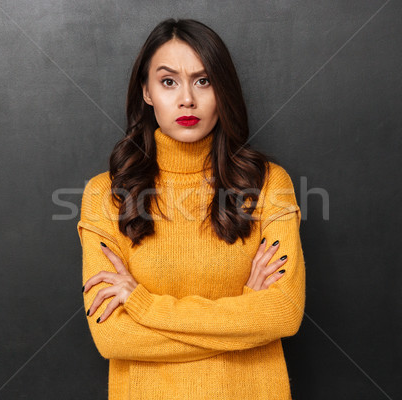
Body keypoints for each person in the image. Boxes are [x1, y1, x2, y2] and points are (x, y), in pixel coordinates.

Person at [78, 18, 306, 400]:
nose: (187, 99)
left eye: (203, 81)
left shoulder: (269, 184)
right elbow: (113, 337)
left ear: (223, 90)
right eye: (168, 81)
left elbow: (283, 312)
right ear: (147, 92)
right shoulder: (105, 195)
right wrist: (246, 315)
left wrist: (143, 305)